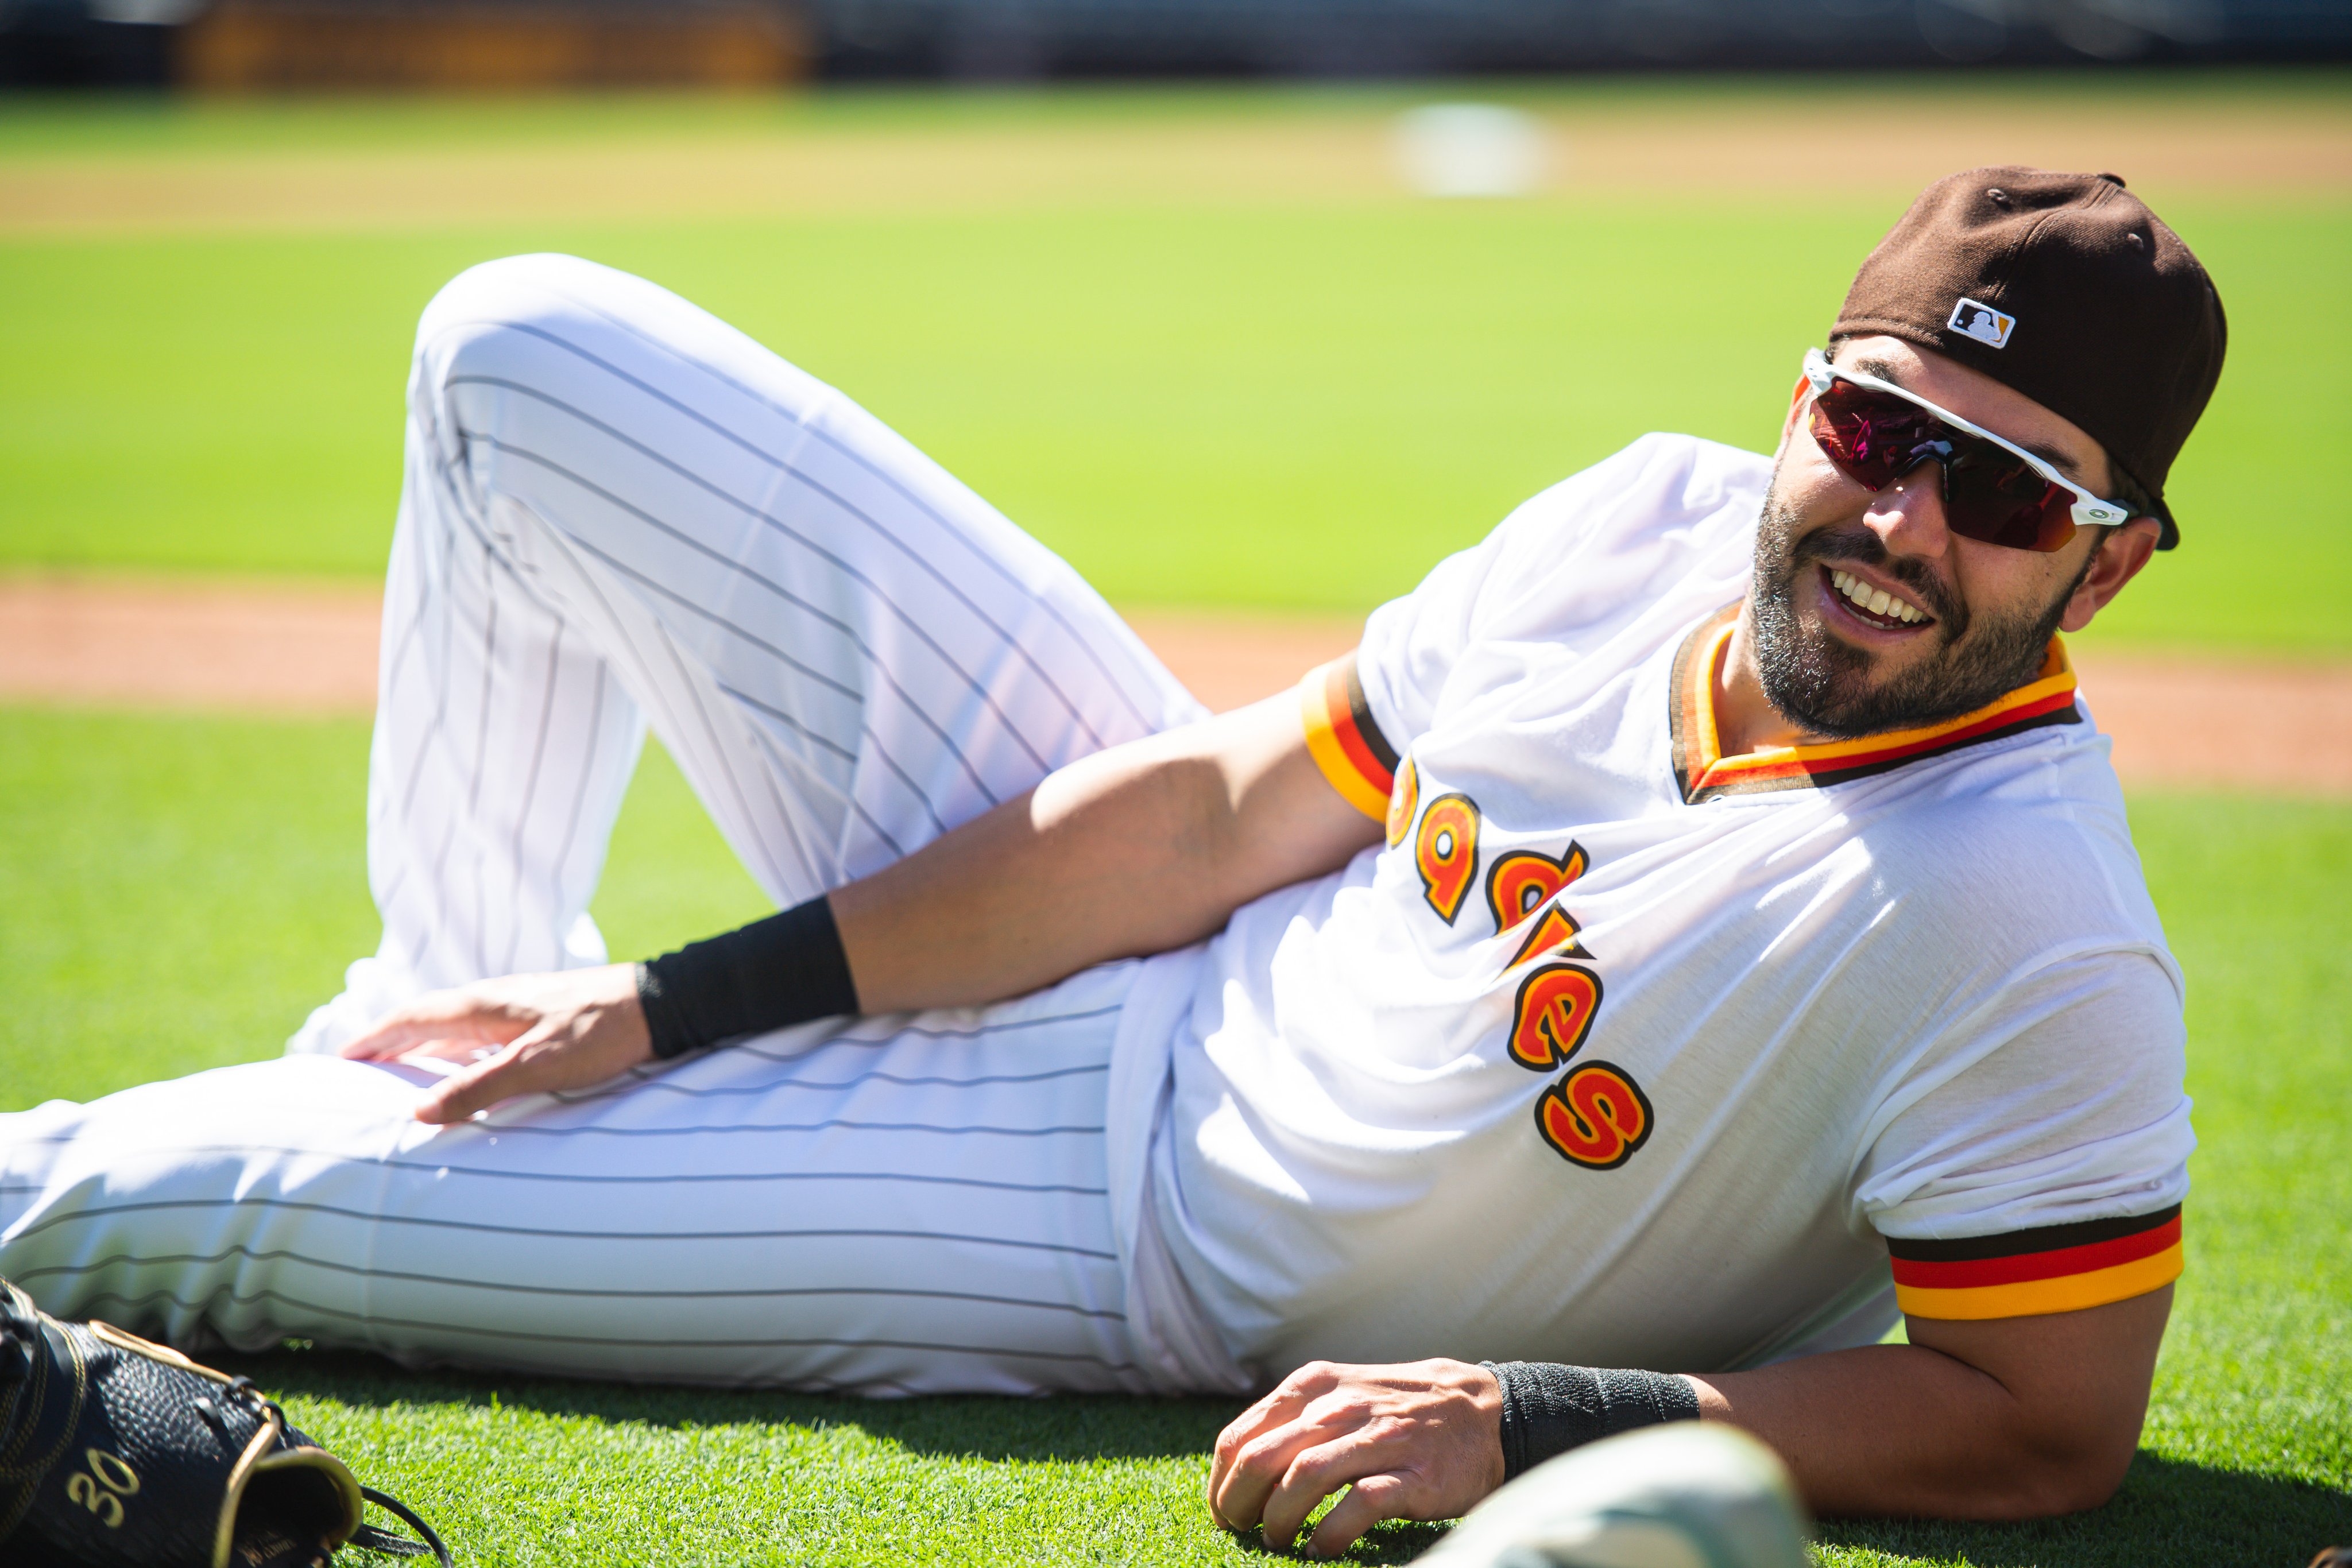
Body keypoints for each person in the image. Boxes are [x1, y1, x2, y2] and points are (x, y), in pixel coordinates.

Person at [0, 166, 2225, 1557]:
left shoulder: (2013, 915)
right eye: (1872, 425)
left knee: (95, 1199)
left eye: (2008, 494)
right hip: (1160, 944)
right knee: (524, 346)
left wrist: (1540, 1414)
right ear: (1800, 403)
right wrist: (672, 1001)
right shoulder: (1632, 519)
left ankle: (360, 1147)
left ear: (2103, 569)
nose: (1902, 521)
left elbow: (2037, 1421)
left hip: (1092, 1233)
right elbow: (1211, 808)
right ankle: (438, 1014)